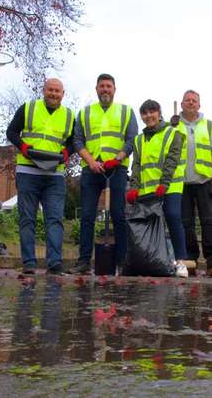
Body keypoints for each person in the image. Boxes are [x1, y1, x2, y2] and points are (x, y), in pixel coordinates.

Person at [67, 73, 138, 274]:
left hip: (116, 169)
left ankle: (121, 261)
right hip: (91, 170)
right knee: (87, 216)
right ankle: (83, 261)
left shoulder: (126, 112)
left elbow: (131, 139)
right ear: (96, 89)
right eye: (101, 86)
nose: (105, 89)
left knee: (118, 215)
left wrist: (117, 159)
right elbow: (77, 140)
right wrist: (90, 161)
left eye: (109, 86)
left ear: (114, 89)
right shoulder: (85, 113)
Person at [6, 78, 74, 275]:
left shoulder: (69, 116)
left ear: (63, 94)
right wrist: (23, 147)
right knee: (27, 218)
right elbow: (12, 132)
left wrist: (67, 153)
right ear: (43, 91)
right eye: (50, 90)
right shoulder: (28, 108)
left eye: (57, 91)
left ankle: (55, 263)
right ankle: (29, 262)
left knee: (54, 219)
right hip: (28, 170)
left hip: (54, 175)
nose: (53, 94)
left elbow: (73, 141)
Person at [126, 99, 189, 278]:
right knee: (150, 225)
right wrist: (134, 187)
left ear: (159, 113)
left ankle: (180, 261)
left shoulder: (173, 133)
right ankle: (151, 260)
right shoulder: (138, 140)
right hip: (148, 190)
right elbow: (136, 166)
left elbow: (172, 160)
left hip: (170, 186)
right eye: (145, 113)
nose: (149, 116)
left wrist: (164, 183)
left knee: (173, 216)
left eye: (152, 112)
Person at [173, 90, 212, 277]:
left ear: (199, 105)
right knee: (185, 223)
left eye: (194, 100)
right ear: (181, 105)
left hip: (204, 181)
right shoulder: (172, 125)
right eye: (187, 100)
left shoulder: (209, 125)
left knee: (209, 222)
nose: (190, 103)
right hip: (181, 183)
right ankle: (190, 262)